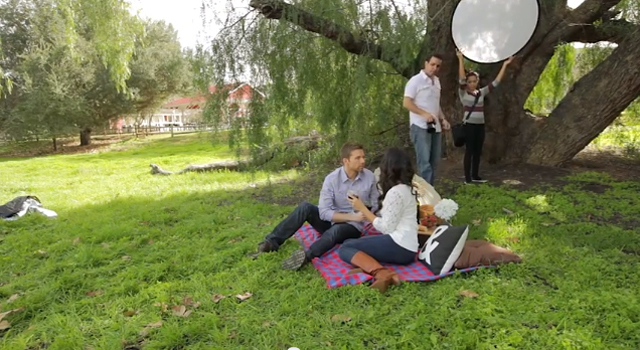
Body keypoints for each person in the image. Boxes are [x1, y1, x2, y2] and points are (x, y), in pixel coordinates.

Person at [253, 142, 380, 270]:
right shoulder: (332, 179)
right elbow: (324, 212)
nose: (363, 161)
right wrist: (352, 216)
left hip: (352, 227)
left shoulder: (369, 176)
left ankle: (305, 257)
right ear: (346, 160)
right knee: (305, 207)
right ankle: (270, 243)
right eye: (358, 158)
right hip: (336, 221)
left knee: (337, 230)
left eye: (363, 157)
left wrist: (365, 212)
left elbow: (376, 204)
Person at [338, 147, 419, 293]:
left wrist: (362, 209)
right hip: (409, 246)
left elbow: (386, 227)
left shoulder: (396, 192)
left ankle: (382, 273)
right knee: (350, 243)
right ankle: (369, 267)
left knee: (345, 248)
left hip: (401, 246)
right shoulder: (407, 189)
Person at [456, 49, 513, 184]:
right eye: (470, 81)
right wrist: (460, 59)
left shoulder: (480, 93)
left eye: (474, 81)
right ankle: (468, 178)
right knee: (469, 151)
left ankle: (475, 175)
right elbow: (461, 79)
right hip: (469, 125)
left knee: (477, 150)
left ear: (477, 81)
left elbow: (495, 83)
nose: (472, 83)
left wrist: (505, 65)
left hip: (480, 126)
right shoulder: (463, 93)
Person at [403, 53, 451, 186]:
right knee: (424, 163)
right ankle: (426, 197)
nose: (434, 68)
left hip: (435, 127)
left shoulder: (437, 81)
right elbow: (407, 103)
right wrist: (424, 114)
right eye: (432, 64)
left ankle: (431, 190)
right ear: (426, 63)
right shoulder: (415, 81)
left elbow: (436, 103)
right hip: (420, 126)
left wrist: (443, 119)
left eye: (438, 66)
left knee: (434, 161)